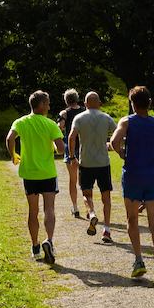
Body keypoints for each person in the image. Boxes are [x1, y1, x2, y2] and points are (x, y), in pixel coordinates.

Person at [110, 86, 154, 287]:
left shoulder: (126, 121)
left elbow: (114, 142)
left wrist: (122, 153)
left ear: (132, 103)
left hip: (132, 176)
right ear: (150, 103)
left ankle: (139, 260)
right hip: (152, 176)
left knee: (132, 219)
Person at [7, 90, 65, 264]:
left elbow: (10, 138)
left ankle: (35, 247)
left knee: (33, 211)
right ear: (40, 105)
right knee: (49, 209)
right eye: (47, 103)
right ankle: (50, 241)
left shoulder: (21, 122)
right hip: (47, 173)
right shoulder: (50, 124)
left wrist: (13, 155)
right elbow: (61, 149)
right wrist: (54, 147)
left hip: (29, 173)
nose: (49, 106)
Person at [68, 91, 117, 243]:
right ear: (100, 103)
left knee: (86, 193)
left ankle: (92, 212)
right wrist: (113, 147)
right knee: (106, 197)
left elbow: (71, 137)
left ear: (85, 103)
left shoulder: (79, 117)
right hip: (103, 162)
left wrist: (72, 156)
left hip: (86, 162)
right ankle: (107, 230)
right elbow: (117, 134)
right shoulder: (106, 117)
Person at [57, 89, 87, 218]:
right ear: (77, 98)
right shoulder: (85, 111)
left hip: (71, 148)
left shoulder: (64, 113)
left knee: (72, 180)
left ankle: (75, 207)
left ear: (66, 100)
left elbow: (60, 127)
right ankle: (88, 207)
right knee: (85, 180)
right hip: (84, 148)